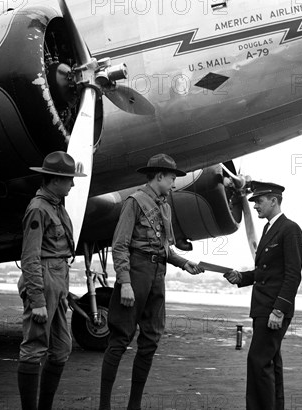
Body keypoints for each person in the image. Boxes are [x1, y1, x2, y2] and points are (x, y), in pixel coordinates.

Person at [99, 153, 204, 410]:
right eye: (171, 179)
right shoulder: (134, 202)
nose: (173, 184)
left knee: (151, 340)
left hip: (157, 275)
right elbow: (120, 245)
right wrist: (124, 282)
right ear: (159, 176)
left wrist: (183, 262)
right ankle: (104, 405)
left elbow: (164, 247)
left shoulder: (164, 206)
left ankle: (134, 405)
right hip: (136, 273)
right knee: (120, 339)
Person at [224, 181, 302, 410]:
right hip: (264, 308)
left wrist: (279, 310)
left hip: (273, 309)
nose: (256, 206)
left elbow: (292, 275)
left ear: (274, 201)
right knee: (270, 362)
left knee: (257, 362)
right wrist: (242, 277)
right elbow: (266, 271)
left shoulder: (290, 229)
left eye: (259, 201)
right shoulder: (270, 228)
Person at [17, 151, 86, 410]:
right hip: (43, 279)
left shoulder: (55, 205)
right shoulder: (38, 209)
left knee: (61, 349)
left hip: (57, 279)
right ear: (55, 180)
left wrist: (63, 290)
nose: (73, 184)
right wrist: (37, 300)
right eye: (69, 179)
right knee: (34, 348)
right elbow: (30, 257)